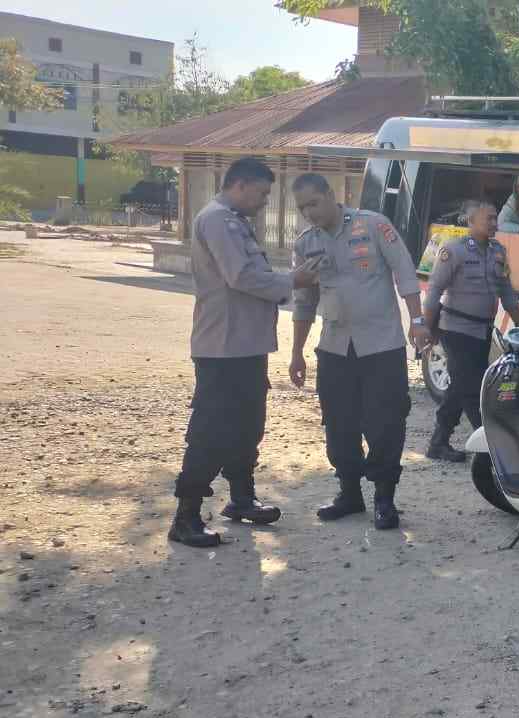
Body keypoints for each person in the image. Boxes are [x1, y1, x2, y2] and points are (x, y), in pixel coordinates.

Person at [168, 157, 322, 548]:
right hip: (222, 347)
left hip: (246, 346)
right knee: (211, 431)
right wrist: (294, 279)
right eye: (262, 192)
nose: (264, 201)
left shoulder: (236, 221)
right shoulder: (218, 219)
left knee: (247, 426)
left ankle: (241, 499)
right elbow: (242, 277)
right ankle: (185, 518)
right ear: (240, 185)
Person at [287, 174, 431, 530]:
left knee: (385, 422)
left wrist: (417, 319)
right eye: (302, 207)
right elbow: (304, 302)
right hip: (334, 348)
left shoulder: (373, 225)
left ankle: (384, 498)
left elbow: (404, 271)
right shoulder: (306, 244)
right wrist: (296, 352)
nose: (309, 213)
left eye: (313, 203)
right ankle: (349, 493)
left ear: (330, 194)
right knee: (338, 423)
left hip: (382, 345)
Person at [422, 200, 519, 462]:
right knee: (473, 387)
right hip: (455, 329)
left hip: (482, 331)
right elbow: (434, 291)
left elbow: (506, 291)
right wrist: (425, 326)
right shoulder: (453, 251)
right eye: (488, 218)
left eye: (495, 218)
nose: (494, 223)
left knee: (460, 386)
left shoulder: (498, 252)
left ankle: (438, 442)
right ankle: (491, 444)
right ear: (470, 222)